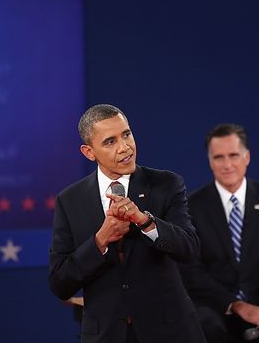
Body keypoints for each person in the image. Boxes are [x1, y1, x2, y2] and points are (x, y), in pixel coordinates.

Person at [49, 104, 206, 343]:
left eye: (126, 134)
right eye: (110, 142)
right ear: (89, 152)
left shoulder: (166, 184)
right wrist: (100, 240)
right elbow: (60, 283)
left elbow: (190, 248)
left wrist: (145, 222)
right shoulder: (70, 200)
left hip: (169, 331)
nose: (125, 147)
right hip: (107, 335)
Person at [180, 123, 259, 343]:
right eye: (218, 157)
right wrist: (238, 306)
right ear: (210, 162)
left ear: (247, 157)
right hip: (214, 311)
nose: (227, 165)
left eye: (233, 155)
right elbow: (192, 272)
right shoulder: (192, 206)